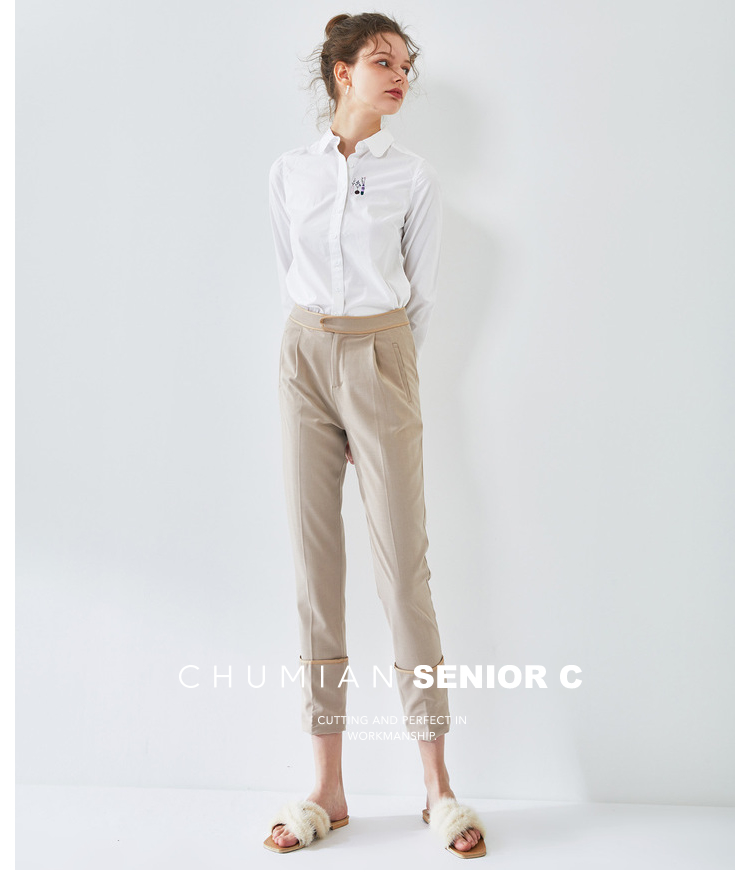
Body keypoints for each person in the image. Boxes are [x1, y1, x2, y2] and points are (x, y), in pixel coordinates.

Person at [263, 12, 486, 859]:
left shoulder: (413, 177)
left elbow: (420, 298)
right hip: (302, 356)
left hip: (383, 356)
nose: (400, 75)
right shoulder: (289, 171)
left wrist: (380, 392)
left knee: (404, 574)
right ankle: (328, 788)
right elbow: (290, 268)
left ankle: (438, 786)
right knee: (315, 574)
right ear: (341, 72)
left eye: (406, 64)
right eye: (382, 61)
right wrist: (323, 361)